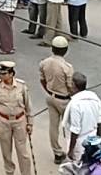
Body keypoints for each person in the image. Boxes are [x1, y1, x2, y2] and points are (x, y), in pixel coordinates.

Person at [0, 61, 33, 175]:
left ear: (11, 74)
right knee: (6, 151)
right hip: (3, 121)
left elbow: (28, 106)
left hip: (19, 121)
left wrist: (30, 123)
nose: (1, 76)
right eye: (0, 73)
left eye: (4, 74)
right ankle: (9, 172)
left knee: (23, 152)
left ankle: (26, 173)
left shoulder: (21, 87)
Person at [39, 35, 73, 164]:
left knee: (53, 127)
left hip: (51, 96)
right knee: (70, 128)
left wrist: (49, 90)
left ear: (52, 49)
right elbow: (71, 86)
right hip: (64, 99)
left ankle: (57, 152)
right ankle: (72, 152)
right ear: (66, 50)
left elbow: (42, 80)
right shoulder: (67, 67)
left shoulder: (44, 63)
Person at [63, 72, 101, 162]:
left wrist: (71, 150)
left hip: (80, 144)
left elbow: (75, 130)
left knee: (79, 167)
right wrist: (99, 141)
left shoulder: (76, 104)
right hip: (93, 139)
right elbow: (99, 122)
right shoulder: (95, 99)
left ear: (73, 85)